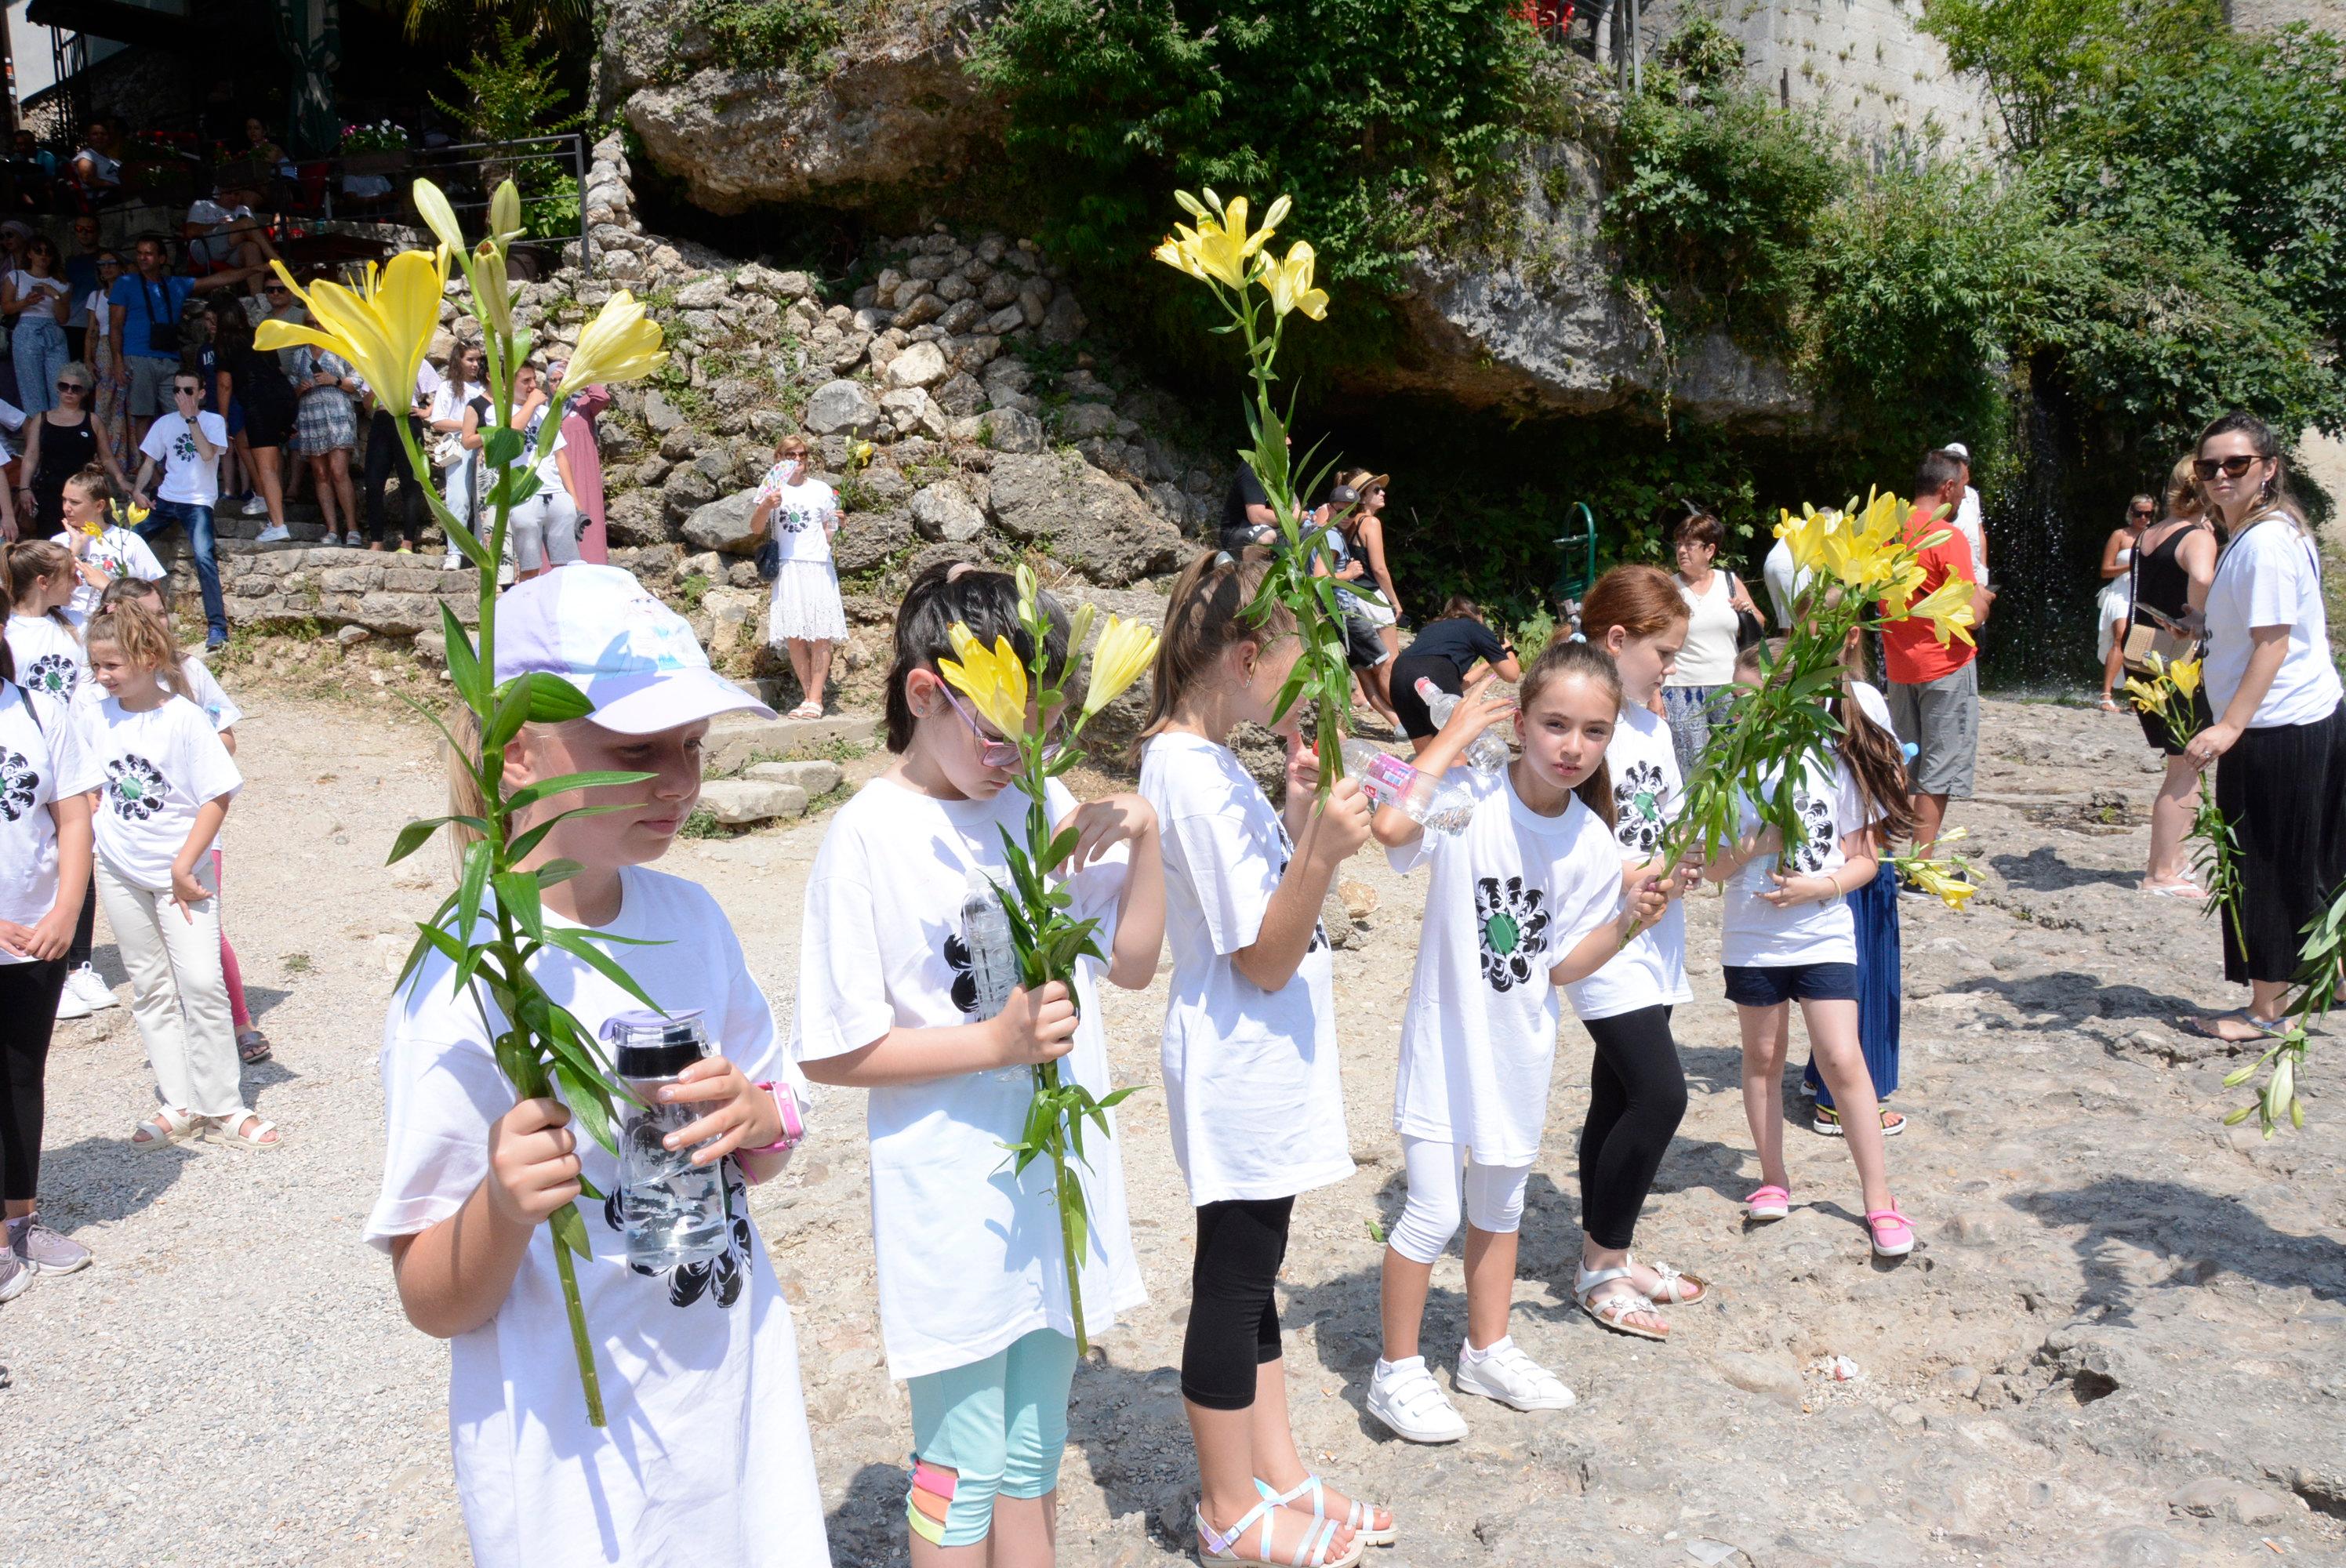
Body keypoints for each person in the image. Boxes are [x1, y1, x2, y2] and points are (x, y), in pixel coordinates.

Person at [365, 566, 827, 1568]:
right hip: (577, 1464)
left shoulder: (691, 921)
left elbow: (778, 1125)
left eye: (692, 746)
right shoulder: (464, 980)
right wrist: (501, 1200)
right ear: (519, 751)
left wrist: (757, 1119)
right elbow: (432, 1297)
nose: (680, 781)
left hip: (729, 1400)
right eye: (635, 749)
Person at [796, 563, 1163, 1566]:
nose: (1018, 756)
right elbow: (834, 1046)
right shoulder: (869, 832)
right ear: (926, 692)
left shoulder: (1027, 799)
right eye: (997, 729)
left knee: (1035, 1448)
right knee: (958, 1464)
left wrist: (1148, 833)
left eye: (1039, 731)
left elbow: (1129, 964)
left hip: (1050, 1187)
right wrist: (991, 1044)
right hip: (953, 1199)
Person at [1135, 550, 1389, 1567]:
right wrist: (1324, 852)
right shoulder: (1188, 776)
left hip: (1259, 1059)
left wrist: (1293, 815)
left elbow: (1258, 902)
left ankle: (1277, 1474)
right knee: (1233, 1281)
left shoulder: (1207, 761)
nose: (1306, 689)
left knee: (1258, 1273)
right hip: (1239, 1058)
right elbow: (1266, 954)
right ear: (1244, 657)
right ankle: (1228, 1507)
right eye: (1296, 664)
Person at [1364, 644, 1668, 1445]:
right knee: (1430, 1211)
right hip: (1442, 1043)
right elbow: (1390, 823)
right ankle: (1395, 1371)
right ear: (1523, 719)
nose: (1573, 746)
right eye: (1556, 724)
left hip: (1519, 1049)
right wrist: (1451, 734)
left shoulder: (1591, 841)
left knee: (1499, 1209)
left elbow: (1562, 963)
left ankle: (1485, 1349)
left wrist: (1629, 920)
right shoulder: (1467, 797)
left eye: (1593, 731)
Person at [1705, 640, 1915, 1259]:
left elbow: (1863, 862)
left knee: (1843, 1057)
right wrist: (1756, 843)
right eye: (1740, 703)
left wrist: (1816, 887)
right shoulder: (1728, 769)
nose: (1746, 716)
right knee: (1763, 1056)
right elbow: (1714, 868)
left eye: (1759, 702)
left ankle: (1880, 1199)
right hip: (1750, 936)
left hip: (1822, 930)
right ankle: (1773, 1178)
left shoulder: (1835, 766)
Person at [1567, 564, 1708, 1339]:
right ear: (1617, 639)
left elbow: (1669, 821)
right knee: (1661, 1094)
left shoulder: (1650, 724)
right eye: (1664, 651)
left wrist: (1700, 855)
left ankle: (1609, 1256)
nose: (1671, 667)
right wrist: (1630, 873)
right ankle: (1599, 1263)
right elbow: (1550, 825)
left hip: (1656, 927)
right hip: (1602, 932)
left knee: (1616, 1094)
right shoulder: (1579, 718)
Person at [82, 597, 273, 1151]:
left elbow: (217, 796)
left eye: (111, 665)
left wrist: (185, 864)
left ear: (146, 657)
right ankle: (178, 1104)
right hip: (120, 870)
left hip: (182, 876)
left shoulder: (185, 719)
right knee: (151, 987)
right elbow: (91, 784)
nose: (101, 676)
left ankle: (225, 1107)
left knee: (201, 982)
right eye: (95, 665)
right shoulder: (94, 714)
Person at [2179, 412, 2346, 1044]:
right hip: (2311, 716)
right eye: (2209, 465)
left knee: (2266, 864)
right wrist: (2204, 631)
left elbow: (2273, 646)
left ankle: (2264, 1011)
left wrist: (2228, 727)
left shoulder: (2267, 541)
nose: (2221, 475)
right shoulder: (2266, 532)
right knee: (2321, 859)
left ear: (2269, 468)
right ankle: (2335, 977)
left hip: (2277, 726)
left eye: (2236, 464)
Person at [0, 575, 100, 1297]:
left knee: (21, 1075)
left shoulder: (36, 708)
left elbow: (72, 815)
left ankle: (20, 1220)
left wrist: (67, 912)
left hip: (36, 930)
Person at [1800, 609, 1911, 1138]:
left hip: (1822, 857)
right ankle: (1840, 1101)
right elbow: (1891, 778)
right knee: (1861, 981)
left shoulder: (1794, 695)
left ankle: (1818, 1076)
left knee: (1828, 980)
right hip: (1858, 860)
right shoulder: (1861, 698)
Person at [4, 539, 114, 1022]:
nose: (77, 580)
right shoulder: (21, 639)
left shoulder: (69, 630)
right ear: (42, 581)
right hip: (37, 756)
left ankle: (77, 961)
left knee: (70, 851)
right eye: (70, 573)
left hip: (64, 758)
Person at [1881, 449, 1991, 861]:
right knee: (1939, 768)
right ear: (1947, 486)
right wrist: (1986, 600)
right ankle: (1920, 866)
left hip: (1899, 664)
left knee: (1906, 760)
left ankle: (1884, 852)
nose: (1964, 497)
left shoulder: (1887, 530)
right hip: (1945, 664)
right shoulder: (1946, 535)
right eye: (1962, 488)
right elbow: (1973, 614)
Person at [2126, 457, 2218, 897]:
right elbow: (2202, 575)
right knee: (2187, 765)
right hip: (2176, 655)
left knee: (2181, 761)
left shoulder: (2148, 532)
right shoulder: (2197, 535)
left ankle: (2176, 862)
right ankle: (2162, 872)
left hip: (2141, 649)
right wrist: (2202, 615)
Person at [109, 235, 252, 450]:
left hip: (170, 358)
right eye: (139, 253)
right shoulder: (125, 283)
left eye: (148, 253)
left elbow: (219, 279)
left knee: (181, 413)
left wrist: (258, 269)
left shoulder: (174, 284)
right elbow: (115, 326)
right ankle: (153, 475)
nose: (142, 258)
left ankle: (178, 464)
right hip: (138, 355)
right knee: (143, 415)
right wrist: (118, 360)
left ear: (162, 258)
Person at [746, 434, 846, 719]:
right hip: (788, 567)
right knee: (795, 636)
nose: (798, 460)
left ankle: (816, 698)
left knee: (820, 634)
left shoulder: (822, 489)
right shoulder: (773, 490)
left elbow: (829, 530)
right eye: (792, 456)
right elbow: (755, 528)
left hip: (816, 566)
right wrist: (767, 505)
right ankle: (809, 698)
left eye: (802, 455)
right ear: (779, 459)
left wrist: (838, 525)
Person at [128, 371, 231, 649]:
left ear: (201, 393)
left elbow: (208, 454)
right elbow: (149, 462)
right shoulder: (164, 423)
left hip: (198, 502)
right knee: (127, 542)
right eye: (177, 391)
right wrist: (138, 491)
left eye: (188, 390)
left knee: (203, 556)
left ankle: (217, 628)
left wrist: (191, 419)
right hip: (166, 500)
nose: (182, 396)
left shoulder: (213, 421)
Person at [1661, 513, 1760, 782]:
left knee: (1733, 761)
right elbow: (1655, 639)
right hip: (1681, 688)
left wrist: (1746, 609)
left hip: (1728, 686)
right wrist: (1654, 696)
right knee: (1690, 767)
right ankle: (1693, 822)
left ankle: (1733, 821)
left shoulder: (1728, 581)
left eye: (1690, 545)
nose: (1682, 551)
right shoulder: (1669, 588)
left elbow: (1759, 623)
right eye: (1679, 544)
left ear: (1710, 550)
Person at [1390, 597, 1523, 753]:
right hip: (1434, 671)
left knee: (1427, 758)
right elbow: (1512, 675)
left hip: (1399, 674)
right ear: (1478, 615)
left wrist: (1489, 663)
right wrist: (1507, 650)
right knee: (1455, 757)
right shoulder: (1475, 626)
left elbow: (1455, 684)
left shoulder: (1432, 628)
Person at [18, 362, 128, 535]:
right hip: (49, 490)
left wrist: (121, 480)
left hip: (84, 490)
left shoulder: (93, 420)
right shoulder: (41, 419)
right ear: (58, 389)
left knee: (88, 538)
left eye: (75, 388)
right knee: (51, 543)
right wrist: (24, 487)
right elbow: (31, 456)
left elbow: (106, 457)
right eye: (64, 386)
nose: (69, 391)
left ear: (84, 392)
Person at [215, 307, 295, 542]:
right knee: (243, 440)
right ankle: (262, 495)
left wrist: (222, 420)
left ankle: (278, 525)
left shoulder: (224, 342)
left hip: (260, 403)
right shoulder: (257, 335)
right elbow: (278, 369)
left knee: (267, 466)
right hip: (283, 396)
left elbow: (224, 384)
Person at [53, 466, 162, 618]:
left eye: (75, 502)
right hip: (72, 625)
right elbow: (49, 588)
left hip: (118, 623)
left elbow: (154, 592)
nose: (66, 508)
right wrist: (74, 549)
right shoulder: (59, 541)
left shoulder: (129, 540)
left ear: (99, 506)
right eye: (64, 500)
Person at [502, 364, 577, 579]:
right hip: (525, 493)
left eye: (534, 379)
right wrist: (532, 403)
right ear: (507, 385)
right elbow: (511, 432)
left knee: (567, 567)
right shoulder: (497, 410)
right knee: (530, 567)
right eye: (526, 381)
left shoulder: (545, 412)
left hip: (556, 492)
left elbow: (560, 455)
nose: (533, 385)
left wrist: (573, 499)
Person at [363, 356, 440, 553]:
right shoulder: (376, 363)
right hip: (382, 419)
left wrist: (426, 411)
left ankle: (408, 541)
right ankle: (376, 542)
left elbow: (440, 391)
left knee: (410, 481)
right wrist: (377, 384)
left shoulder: (414, 359)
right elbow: (366, 403)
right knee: (373, 482)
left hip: (408, 418)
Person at [289, 340, 361, 545]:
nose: (316, 327)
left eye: (318, 323)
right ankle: (332, 530)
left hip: (338, 415)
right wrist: (299, 389)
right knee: (320, 474)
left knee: (339, 471)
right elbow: (291, 384)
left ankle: (353, 529)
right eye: (310, 323)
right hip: (310, 416)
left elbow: (358, 382)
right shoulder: (300, 354)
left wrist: (335, 380)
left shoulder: (341, 347)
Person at [3, 234, 74, 418]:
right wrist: (25, 302)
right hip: (26, 328)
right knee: (32, 388)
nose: (44, 255)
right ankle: (38, 436)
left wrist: (54, 295)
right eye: (38, 251)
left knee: (59, 386)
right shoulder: (16, 276)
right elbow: (6, 307)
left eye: (48, 252)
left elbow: (63, 318)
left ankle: (59, 431)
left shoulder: (61, 283)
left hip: (53, 330)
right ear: (29, 254)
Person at [2095, 495, 2154, 710]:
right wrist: (2131, 565)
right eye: (2139, 513)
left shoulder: (2154, 536)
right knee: (2121, 636)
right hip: (2121, 591)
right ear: (2130, 512)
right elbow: (2105, 570)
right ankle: (2106, 694)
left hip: (2144, 593)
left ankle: (2135, 697)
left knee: (2140, 641)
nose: (2144, 518)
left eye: (2148, 514)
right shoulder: (2119, 535)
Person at [431, 344, 487, 566]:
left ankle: (480, 549)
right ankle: (455, 552)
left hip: (484, 444)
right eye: (470, 360)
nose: (475, 365)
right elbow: (438, 421)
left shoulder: (486, 387)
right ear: (459, 360)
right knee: (458, 498)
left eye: (478, 360)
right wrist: (468, 426)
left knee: (483, 498)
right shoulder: (448, 387)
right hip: (459, 446)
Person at [554, 369, 610, 563]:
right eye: (552, 380)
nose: (557, 384)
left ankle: (593, 563)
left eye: (561, 380)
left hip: (583, 470)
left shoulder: (583, 404)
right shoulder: (547, 410)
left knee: (587, 512)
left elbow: (602, 397)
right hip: (556, 473)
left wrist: (580, 376)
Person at [80, 250, 128, 463]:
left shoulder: (129, 292)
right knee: (104, 402)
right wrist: (88, 360)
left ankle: (126, 457)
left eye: (112, 263)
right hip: (103, 347)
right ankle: (104, 454)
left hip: (127, 345)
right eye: (102, 264)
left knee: (125, 402)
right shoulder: (96, 296)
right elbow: (91, 329)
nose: (107, 268)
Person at [1938, 443, 1989, 590]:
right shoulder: (1942, 494)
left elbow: (1980, 531)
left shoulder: (1972, 495)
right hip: (1954, 573)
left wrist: (1983, 569)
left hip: (1975, 572)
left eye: (1962, 462)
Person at [60, 216, 101, 363]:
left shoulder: (107, 258)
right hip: (70, 324)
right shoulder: (70, 262)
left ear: (98, 232)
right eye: (79, 229)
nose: (84, 233)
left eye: (89, 229)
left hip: (97, 325)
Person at [67, 121, 122, 206]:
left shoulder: (116, 161)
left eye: (103, 134)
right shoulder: (86, 156)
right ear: (88, 138)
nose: (99, 137)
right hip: (101, 200)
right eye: (95, 134)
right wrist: (116, 187)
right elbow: (88, 179)